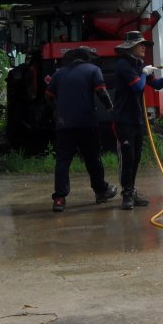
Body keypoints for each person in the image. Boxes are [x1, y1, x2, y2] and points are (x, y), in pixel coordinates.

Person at [112, 31, 163, 210]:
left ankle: (131, 190)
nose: (144, 47)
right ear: (131, 47)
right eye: (141, 44)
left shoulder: (140, 65)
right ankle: (127, 194)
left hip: (137, 119)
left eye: (144, 44)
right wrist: (144, 73)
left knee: (136, 157)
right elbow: (138, 86)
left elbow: (157, 85)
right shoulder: (123, 65)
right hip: (123, 120)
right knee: (127, 158)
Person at [45, 47, 118, 212]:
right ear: (87, 59)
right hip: (86, 123)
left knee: (63, 161)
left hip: (64, 125)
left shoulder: (59, 73)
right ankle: (100, 192)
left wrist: (58, 110)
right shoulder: (93, 70)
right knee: (93, 158)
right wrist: (111, 109)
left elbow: (48, 96)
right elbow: (102, 92)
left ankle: (59, 198)